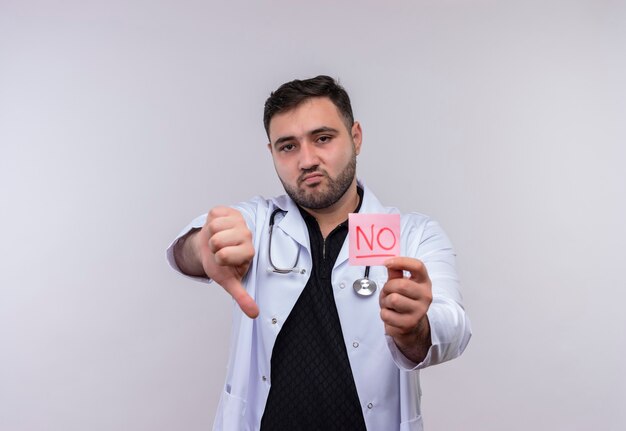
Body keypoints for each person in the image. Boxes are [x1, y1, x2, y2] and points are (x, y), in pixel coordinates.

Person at [166, 75, 471, 431]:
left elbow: (456, 328)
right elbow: (193, 248)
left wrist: (417, 328)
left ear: (355, 137)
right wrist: (203, 246)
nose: (307, 160)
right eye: (288, 146)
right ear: (272, 153)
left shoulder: (414, 235)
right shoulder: (258, 222)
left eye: (323, 138)